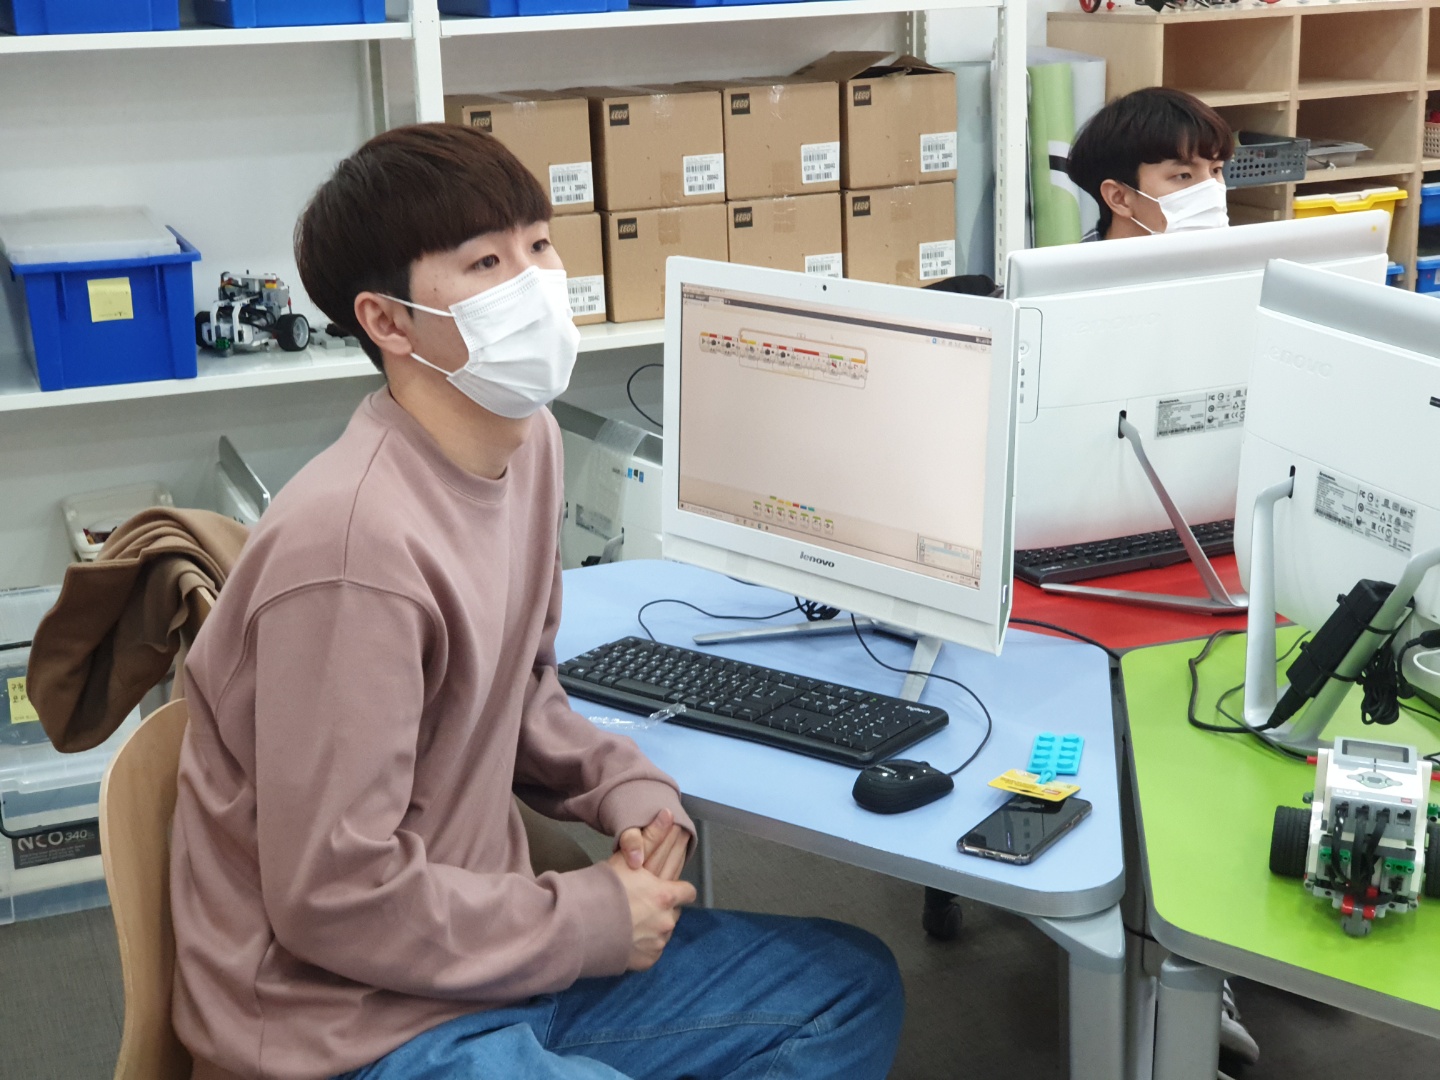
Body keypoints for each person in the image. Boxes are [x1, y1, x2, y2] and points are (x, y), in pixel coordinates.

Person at [168, 123, 904, 1080]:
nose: (536, 282)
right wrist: (588, 919)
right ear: (388, 323)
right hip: (354, 1026)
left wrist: (626, 788)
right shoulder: (352, 550)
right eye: (486, 262)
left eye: (539, 245)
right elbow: (334, 897)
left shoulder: (528, 446)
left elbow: (517, 692)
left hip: (494, 955)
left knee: (847, 989)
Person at [1066, 86, 1234, 241]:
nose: (1211, 190)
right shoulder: (1075, 265)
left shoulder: (1233, 259)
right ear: (1119, 198)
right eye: (1183, 175)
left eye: (1216, 170)